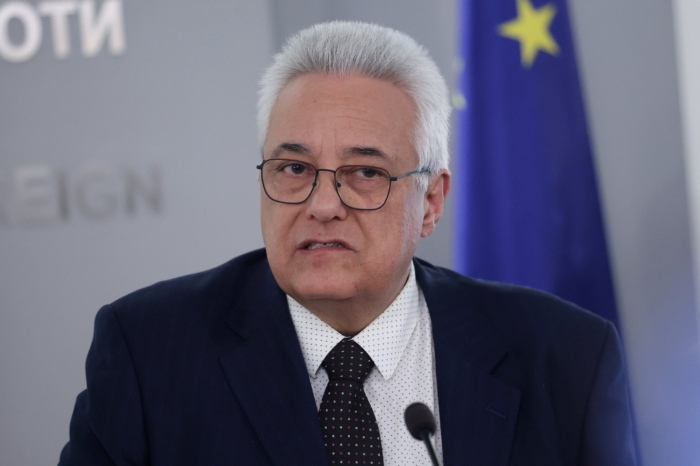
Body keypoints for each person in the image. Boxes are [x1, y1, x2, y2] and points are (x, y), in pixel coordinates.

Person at [59, 21, 637, 465]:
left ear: (431, 202)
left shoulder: (566, 359)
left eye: (364, 173)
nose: (322, 204)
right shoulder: (149, 353)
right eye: (293, 169)